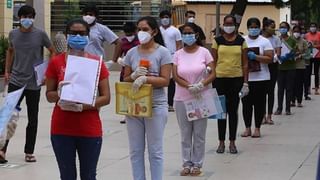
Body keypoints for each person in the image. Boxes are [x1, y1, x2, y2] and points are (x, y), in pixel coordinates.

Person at [45, 18, 110, 180]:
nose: (78, 37)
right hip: (62, 128)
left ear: (88, 36)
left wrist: (83, 107)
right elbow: (49, 95)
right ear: (67, 36)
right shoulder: (56, 62)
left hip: (89, 128)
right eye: (73, 33)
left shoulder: (97, 62)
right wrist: (59, 94)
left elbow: (106, 97)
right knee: (67, 175)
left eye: (82, 34)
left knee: (89, 175)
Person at [0, 5, 55, 163]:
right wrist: (7, 71)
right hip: (16, 81)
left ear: (33, 17)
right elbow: (10, 51)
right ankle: (2, 150)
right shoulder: (13, 34)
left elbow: (52, 50)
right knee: (9, 115)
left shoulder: (40, 34)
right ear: (19, 18)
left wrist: (47, 72)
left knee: (33, 118)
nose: (27, 19)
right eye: (24, 16)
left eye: (30, 16)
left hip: (34, 82)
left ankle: (29, 151)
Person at [123, 16, 172, 180]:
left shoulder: (163, 52)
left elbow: (165, 80)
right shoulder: (131, 53)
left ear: (154, 32)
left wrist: (146, 79)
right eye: (139, 29)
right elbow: (125, 78)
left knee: (155, 150)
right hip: (134, 104)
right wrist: (134, 75)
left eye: (145, 29)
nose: (141, 33)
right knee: (136, 150)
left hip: (156, 105)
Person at [173, 23, 215, 176]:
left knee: (199, 133)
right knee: (185, 133)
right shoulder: (178, 54)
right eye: (184, 33)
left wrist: (201, 84)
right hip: (182, 98)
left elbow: (212, 73)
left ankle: (197, 164)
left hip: (200, 97)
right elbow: (176, 76)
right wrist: (189, 86)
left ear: (196, 35)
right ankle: (186, 163)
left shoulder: (204, 52)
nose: (187, 36)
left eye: (190, 33)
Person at [211, 15, 248, 154]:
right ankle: (221, 142)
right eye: (226, 24)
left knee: (233, 111)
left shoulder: (241, 41)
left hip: (236, 79)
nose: (228, 26)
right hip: (220, 79)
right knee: (221, 112)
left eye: (231, 23)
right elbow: (213, 61)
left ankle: (232, 142)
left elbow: (245, 63)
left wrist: (245, 82)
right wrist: (211, 76)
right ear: (222, 25)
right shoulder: (217, 41)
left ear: (235, 25)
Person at [241, 17, 273, 138]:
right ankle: (247, 128)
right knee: (246, 104)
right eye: (251, 27)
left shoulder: (264, 41)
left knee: (259, 104)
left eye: (255, 27)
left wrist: (256, 57)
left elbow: (270, 58)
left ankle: (257, 128)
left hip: (261, 78)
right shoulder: (242, 40)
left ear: (259, 28)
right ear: (247, 28)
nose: (253, 29)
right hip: (246, 78)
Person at [159, 10, 182, 112]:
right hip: (160, 57)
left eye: (167, 17)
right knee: (158, 80)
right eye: (163, 17)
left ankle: (170, 103)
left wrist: (178, 57)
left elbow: (179, 44)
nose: (165, 19)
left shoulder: (175, 30)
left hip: (172, 57)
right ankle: (159, 102)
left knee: (172, 81)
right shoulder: (157, 30)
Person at [261, 17, 281, 125]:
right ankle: (262, 115)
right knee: (262, 92)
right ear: (265, 27)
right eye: (271, 27)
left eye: (274, 27)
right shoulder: (260, 38)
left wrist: (275, 57)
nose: (273, 29)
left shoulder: (276, 39)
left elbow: (278, 52)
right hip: (262, 66)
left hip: (272, 66)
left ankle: (269, 115)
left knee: (270, 91)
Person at [274, 22, 297, 115]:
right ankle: (279, 108)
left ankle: (288, 109)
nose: (282, 29)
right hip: (280, 67)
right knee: (280, 89)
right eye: (280, 27)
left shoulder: (292, 40)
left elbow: (295, 51)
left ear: (287, 29)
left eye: (284, 27)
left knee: (289, 88)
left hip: (290, 67)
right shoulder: (277, 39)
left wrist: (290, 55)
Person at [291, 25, 308, 107]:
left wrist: (301, 56)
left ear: (300, 33)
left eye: (298, 31)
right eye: (295, 31)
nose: (296, 33)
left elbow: (307, 53)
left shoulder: (304, 41)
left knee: (299, 84)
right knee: (292, 84)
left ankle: (299, 101)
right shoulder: (290, 41)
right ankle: (292, 100)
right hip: (291, 65)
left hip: (300, 66)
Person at [305, 23, 320, 95]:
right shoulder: (306, 35)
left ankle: (316, 88)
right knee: (308, 73)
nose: (312, 28)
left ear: (316, 28)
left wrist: (314, 45)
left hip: (317, 55)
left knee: (316, 73)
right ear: (309, 28)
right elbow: (304, 44)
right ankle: (308, 88)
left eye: (314, 27)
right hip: (309, 56)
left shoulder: (319, 34)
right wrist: (307, 46)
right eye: (311, 27)